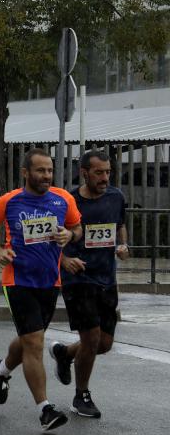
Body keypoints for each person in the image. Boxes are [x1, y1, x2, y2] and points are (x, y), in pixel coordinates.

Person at [0, 148, 82, 431]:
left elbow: (77, 227)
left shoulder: (63, 199)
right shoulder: (10, 201)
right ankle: (45, 409)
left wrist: (69, 235)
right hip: (18, 280)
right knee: (35, 343)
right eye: (40, 170)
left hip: (50, 282)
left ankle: (2, 370)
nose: (46, 175)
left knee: (29, 340)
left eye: (49, 170)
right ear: (26, 172)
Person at [50, 150, 129, 418]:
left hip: (107, 277)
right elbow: (51, 240)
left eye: (108, 172)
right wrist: (64, 260)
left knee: (104, 343)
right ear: (84, 173)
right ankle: (81, 395)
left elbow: (120, 226)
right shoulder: (67, 200)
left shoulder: (116, 197)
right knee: (92, 338)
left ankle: (64, 354)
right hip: (78, 278)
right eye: (99, 172)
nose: (105, 177)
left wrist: (123, 244)